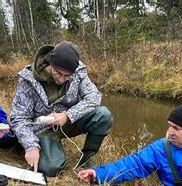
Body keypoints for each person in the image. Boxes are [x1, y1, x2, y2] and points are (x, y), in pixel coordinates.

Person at [10, 41, 113, 177]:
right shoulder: (28, 79)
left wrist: (67, 115)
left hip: (69, 121)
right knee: (50, 168)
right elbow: (19, 118)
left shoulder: (78, 71)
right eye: (58, 73)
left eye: (67, 76)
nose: (62, 79)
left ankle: (87, 157)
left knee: (103, 115)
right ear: (50, 63)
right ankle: (43, 147)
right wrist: (31, 146)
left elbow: (94, 97)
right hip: (43, 129)